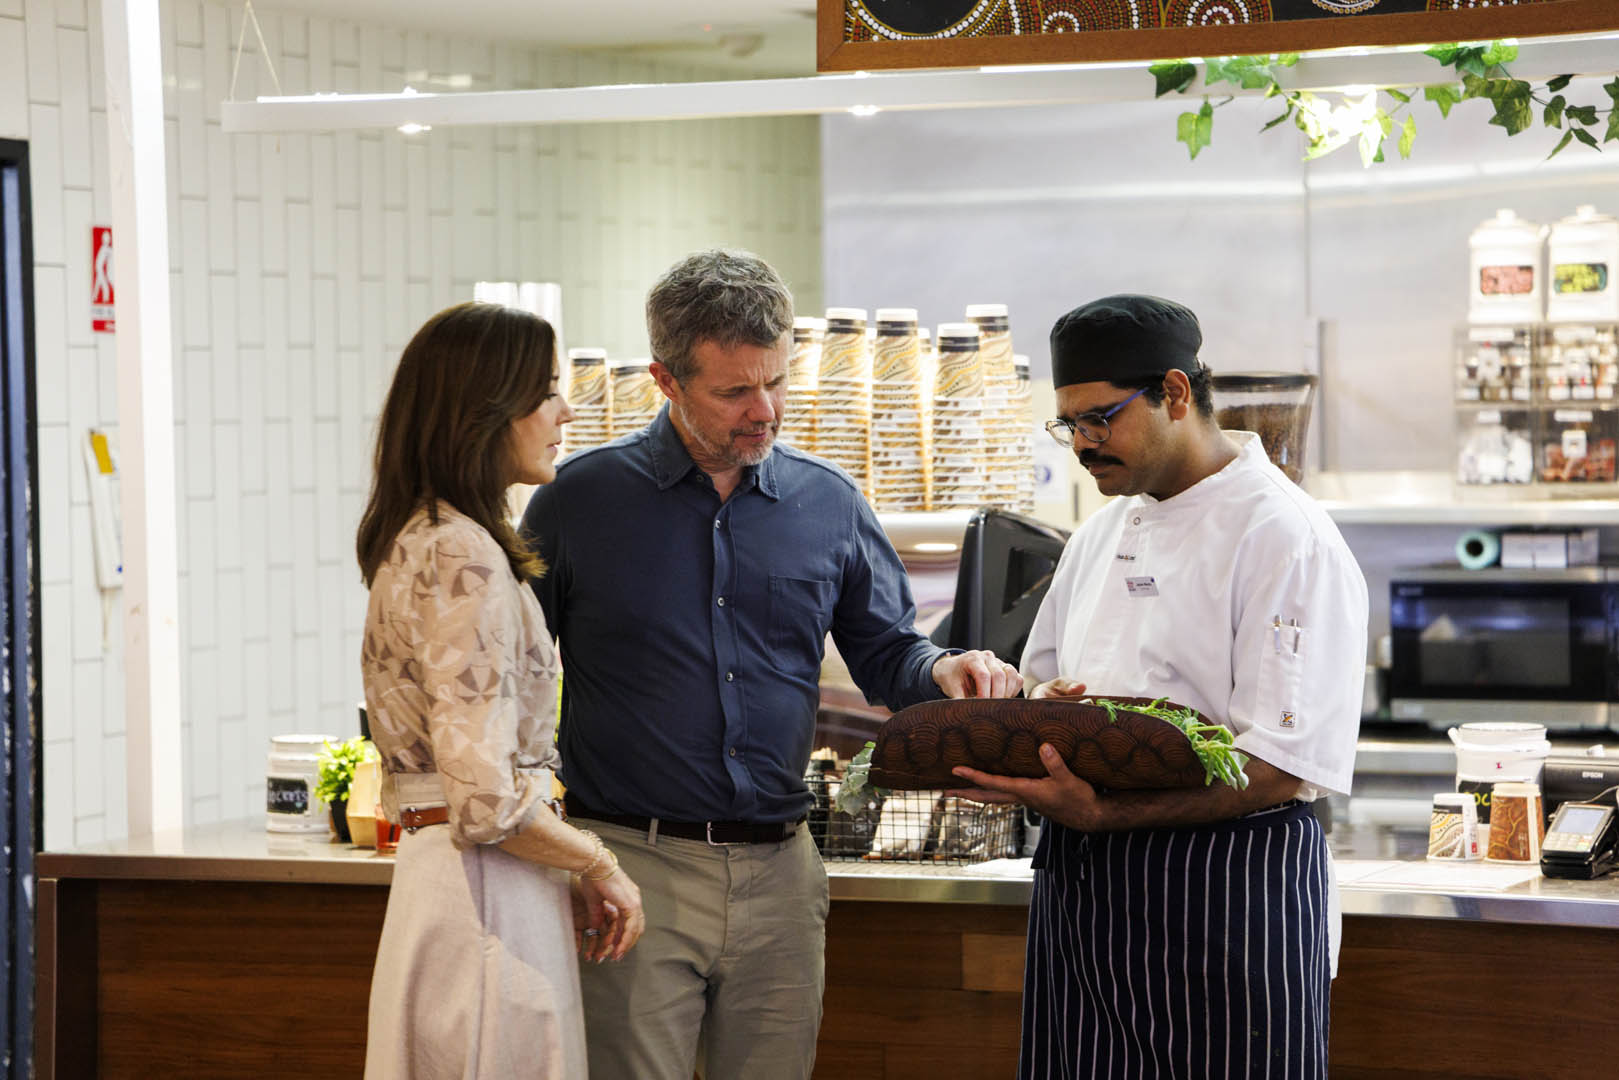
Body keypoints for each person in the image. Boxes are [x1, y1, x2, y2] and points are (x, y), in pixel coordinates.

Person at [522, 248, 1021, 1080]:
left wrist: (942, 672)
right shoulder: (576, 502)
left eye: (777, 382)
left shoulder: (828, 500)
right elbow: (517, 689)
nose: (765, 411)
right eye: (733, 392)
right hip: (630, 861)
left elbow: (887, 653)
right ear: (666, 380)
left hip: (784, 871)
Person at [950, 294, 1368, 1080]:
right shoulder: (1102, 531)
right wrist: (1032, 726)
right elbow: (1043, 681)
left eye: (1099, 419)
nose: (1081, 443)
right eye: (1068, 423)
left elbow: (1283, 765)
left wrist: (1106, 812)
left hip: (1226, 900)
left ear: (1175, 393)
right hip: (1082, 901)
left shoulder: (1284, 536)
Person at [357, 301, 645, 1079]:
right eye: (545, 390)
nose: (566, 408)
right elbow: (484, 802)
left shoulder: (420, 534)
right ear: (481, 411)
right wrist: (597, 863)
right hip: (482, 889)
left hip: (448, 880)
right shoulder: (463, 553)